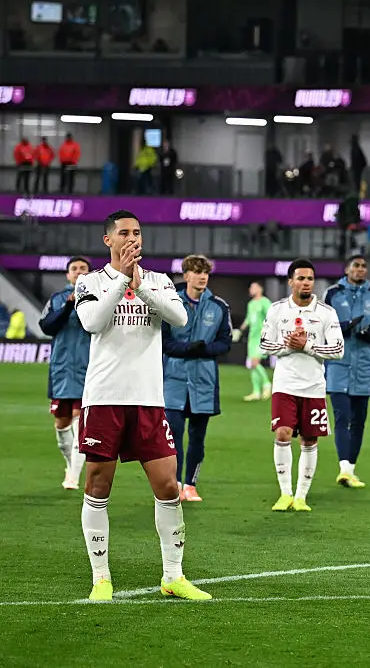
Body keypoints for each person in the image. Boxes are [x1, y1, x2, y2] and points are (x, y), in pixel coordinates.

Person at [74, 210, 210, 602]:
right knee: (98, 484)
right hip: (104, 399)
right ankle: (101, 578)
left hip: (149, 399)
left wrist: (140, 285)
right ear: (108, 240)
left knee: (169, 485)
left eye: (137, 232)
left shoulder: (159, 281)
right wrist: (120, 279)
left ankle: (173, 576)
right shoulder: (91, 281)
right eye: (124, 233)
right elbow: (93, 323)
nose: (132, 238)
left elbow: (180, 317)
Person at [260, 259, 345, 512]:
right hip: (285, 385)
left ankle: (301, 496)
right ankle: (285, 493)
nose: (306, 283)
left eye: (309, 279)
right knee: (283, 433)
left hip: (313, 386)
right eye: (300, 278)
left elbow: (339, 349)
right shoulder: (277, 310)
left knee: (309, 440)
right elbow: (264, 345)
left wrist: (306, 346)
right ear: (290, 282)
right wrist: (289, 345)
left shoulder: (326, 313)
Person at [162, 255, 232, 502]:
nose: (202, 276)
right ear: (186, 275)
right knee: (174, 433)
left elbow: (225, 342)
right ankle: (174, 485)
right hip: (173, 378)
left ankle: (190, 485)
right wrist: (186, 349)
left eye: (205, 272)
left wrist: (203, 349)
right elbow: (163, 341)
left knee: (198, 438)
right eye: (197, 271)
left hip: (204, 380)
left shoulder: (218, 306)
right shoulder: (170, 302)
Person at [325, 253, 370, 489]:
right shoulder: (333, 294)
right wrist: (346, 327)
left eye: (364, 266)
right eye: (356, 265)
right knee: (342, 417)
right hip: (338, 364)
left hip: (364, 366)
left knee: (359, 421)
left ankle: (350, 470)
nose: (361, 269)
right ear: (347, 269)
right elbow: (322, 326)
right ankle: (344, 467)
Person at [38, 256, 92, 490]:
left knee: (81, 425)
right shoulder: (57, 298)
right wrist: (69, 305)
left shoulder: (99, 298)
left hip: (88, 369)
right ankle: (71, 465)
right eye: (74, 269)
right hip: (61, 369)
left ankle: (73, 476)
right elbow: (47, 326)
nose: (79, 272)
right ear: (68, 275)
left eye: (83, 269)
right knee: (62, 424)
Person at [240, 282, 273, 401]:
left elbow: (271, 317)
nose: (250, 289)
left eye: (253, 287)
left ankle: (267, 384)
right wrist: (239, 330)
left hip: (262, 337)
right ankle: (256, 392)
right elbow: (248, 319)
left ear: (260, 289)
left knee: (254, 362)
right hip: (252, 338)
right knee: (252, 365)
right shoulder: (251, 304)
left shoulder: (265, 302)